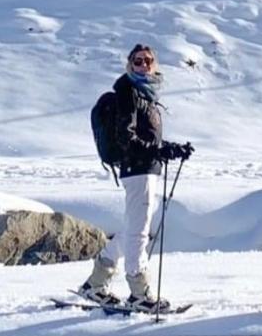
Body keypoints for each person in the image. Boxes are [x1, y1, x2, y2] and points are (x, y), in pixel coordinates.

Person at [79, 44, 194, 311]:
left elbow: (146, 136)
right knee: (138, 233)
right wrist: (160, 150)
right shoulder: (128, 92)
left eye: (147, 61)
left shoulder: (146, 93)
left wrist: (171, 148)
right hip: (137, 169)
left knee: (133, 229)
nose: (143, 65)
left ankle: (95, 284)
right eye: (138, 61)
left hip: (146, 168)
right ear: (129, 64)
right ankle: (139, 293)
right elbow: (126, 137)